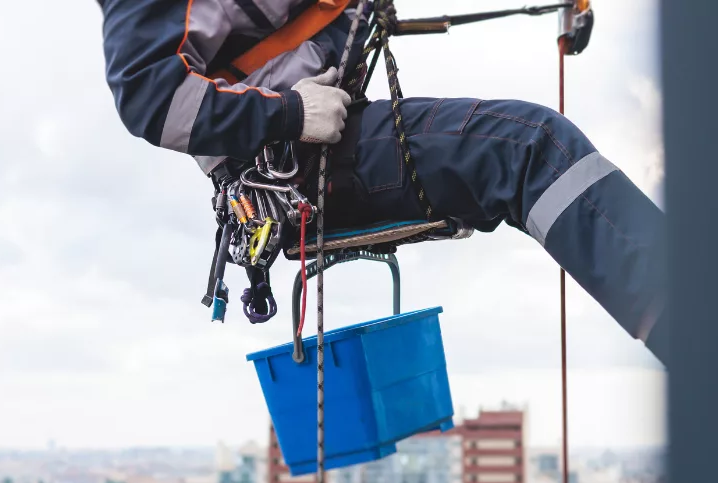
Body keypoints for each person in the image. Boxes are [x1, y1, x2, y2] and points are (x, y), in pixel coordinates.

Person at [93, 0, 669, 367]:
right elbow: (150, 96)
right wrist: (292, 114)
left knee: (528, 148)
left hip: (315, 138)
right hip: (284, 166)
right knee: (527, 150)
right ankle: (697, 328)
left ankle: (696, 319)